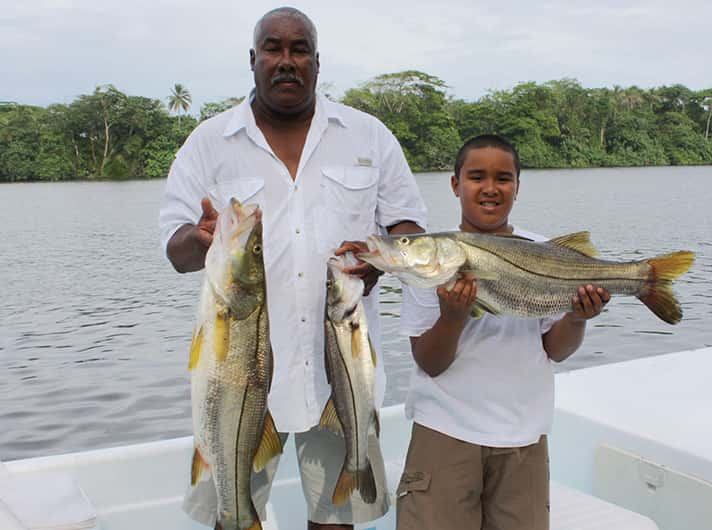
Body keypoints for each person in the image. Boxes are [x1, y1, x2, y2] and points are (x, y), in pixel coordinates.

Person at [158, 7, 426, 530]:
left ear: (318, 62)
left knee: (335, 522)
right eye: (274, 49)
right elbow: (176, 249)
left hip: (342, 377)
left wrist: (381, 255)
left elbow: (408, 226)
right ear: (253, 59)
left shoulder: (369, 136)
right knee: (231, 515)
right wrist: (201, 239)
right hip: (236, 379)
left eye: (299, 49)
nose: (286, 61)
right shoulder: (208, 143)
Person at [395, 135, 609, 530]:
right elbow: (429, 362)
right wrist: (453, 317)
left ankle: (642, 277)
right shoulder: (431, 261)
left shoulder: (545, 251)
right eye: (476, 177)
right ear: (455, 183)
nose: (490, 188)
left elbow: (556, 350)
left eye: (503, 178)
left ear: (517, 187)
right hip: (445, 432)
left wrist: (577, 317)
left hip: (524, 438)